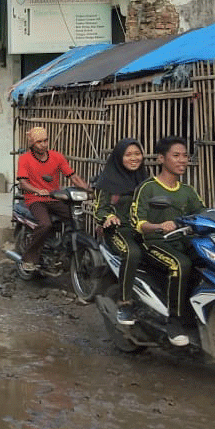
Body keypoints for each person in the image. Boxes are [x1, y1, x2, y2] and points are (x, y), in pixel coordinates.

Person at [130, 136, 205, 347]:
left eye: (185, 156)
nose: (182, 160)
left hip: (182, 240)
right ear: (162, 159)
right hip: (154, 242)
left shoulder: (187, 191)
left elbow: (202, 212)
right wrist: (159, 226)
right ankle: (175, 321)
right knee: (180, 264)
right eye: (176, 156)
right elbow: (138, 221)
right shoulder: (148, 188)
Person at [15, 126, 91, 271]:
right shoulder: (25, 159)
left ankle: (65, 248)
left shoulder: (57, 156)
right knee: (45, 224)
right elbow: (23, 182)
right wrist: (38, 191)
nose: (43, 144)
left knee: (74, 217)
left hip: (54, 198)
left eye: (45, 140)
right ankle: (29, 258)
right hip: (35, 199)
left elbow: (72, 176)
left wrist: (88, 189)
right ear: (32, 144)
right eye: (39, 142)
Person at [92, 138, 148, 326]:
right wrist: (108, 217)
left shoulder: (145, 179)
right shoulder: (108, 180)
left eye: (137, 154)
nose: (134, 158)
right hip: (117, 231)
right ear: (119, 157)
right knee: (132, 253)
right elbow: (99, 209)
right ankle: (125, 303)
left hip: (142, 229)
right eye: (128, 155)